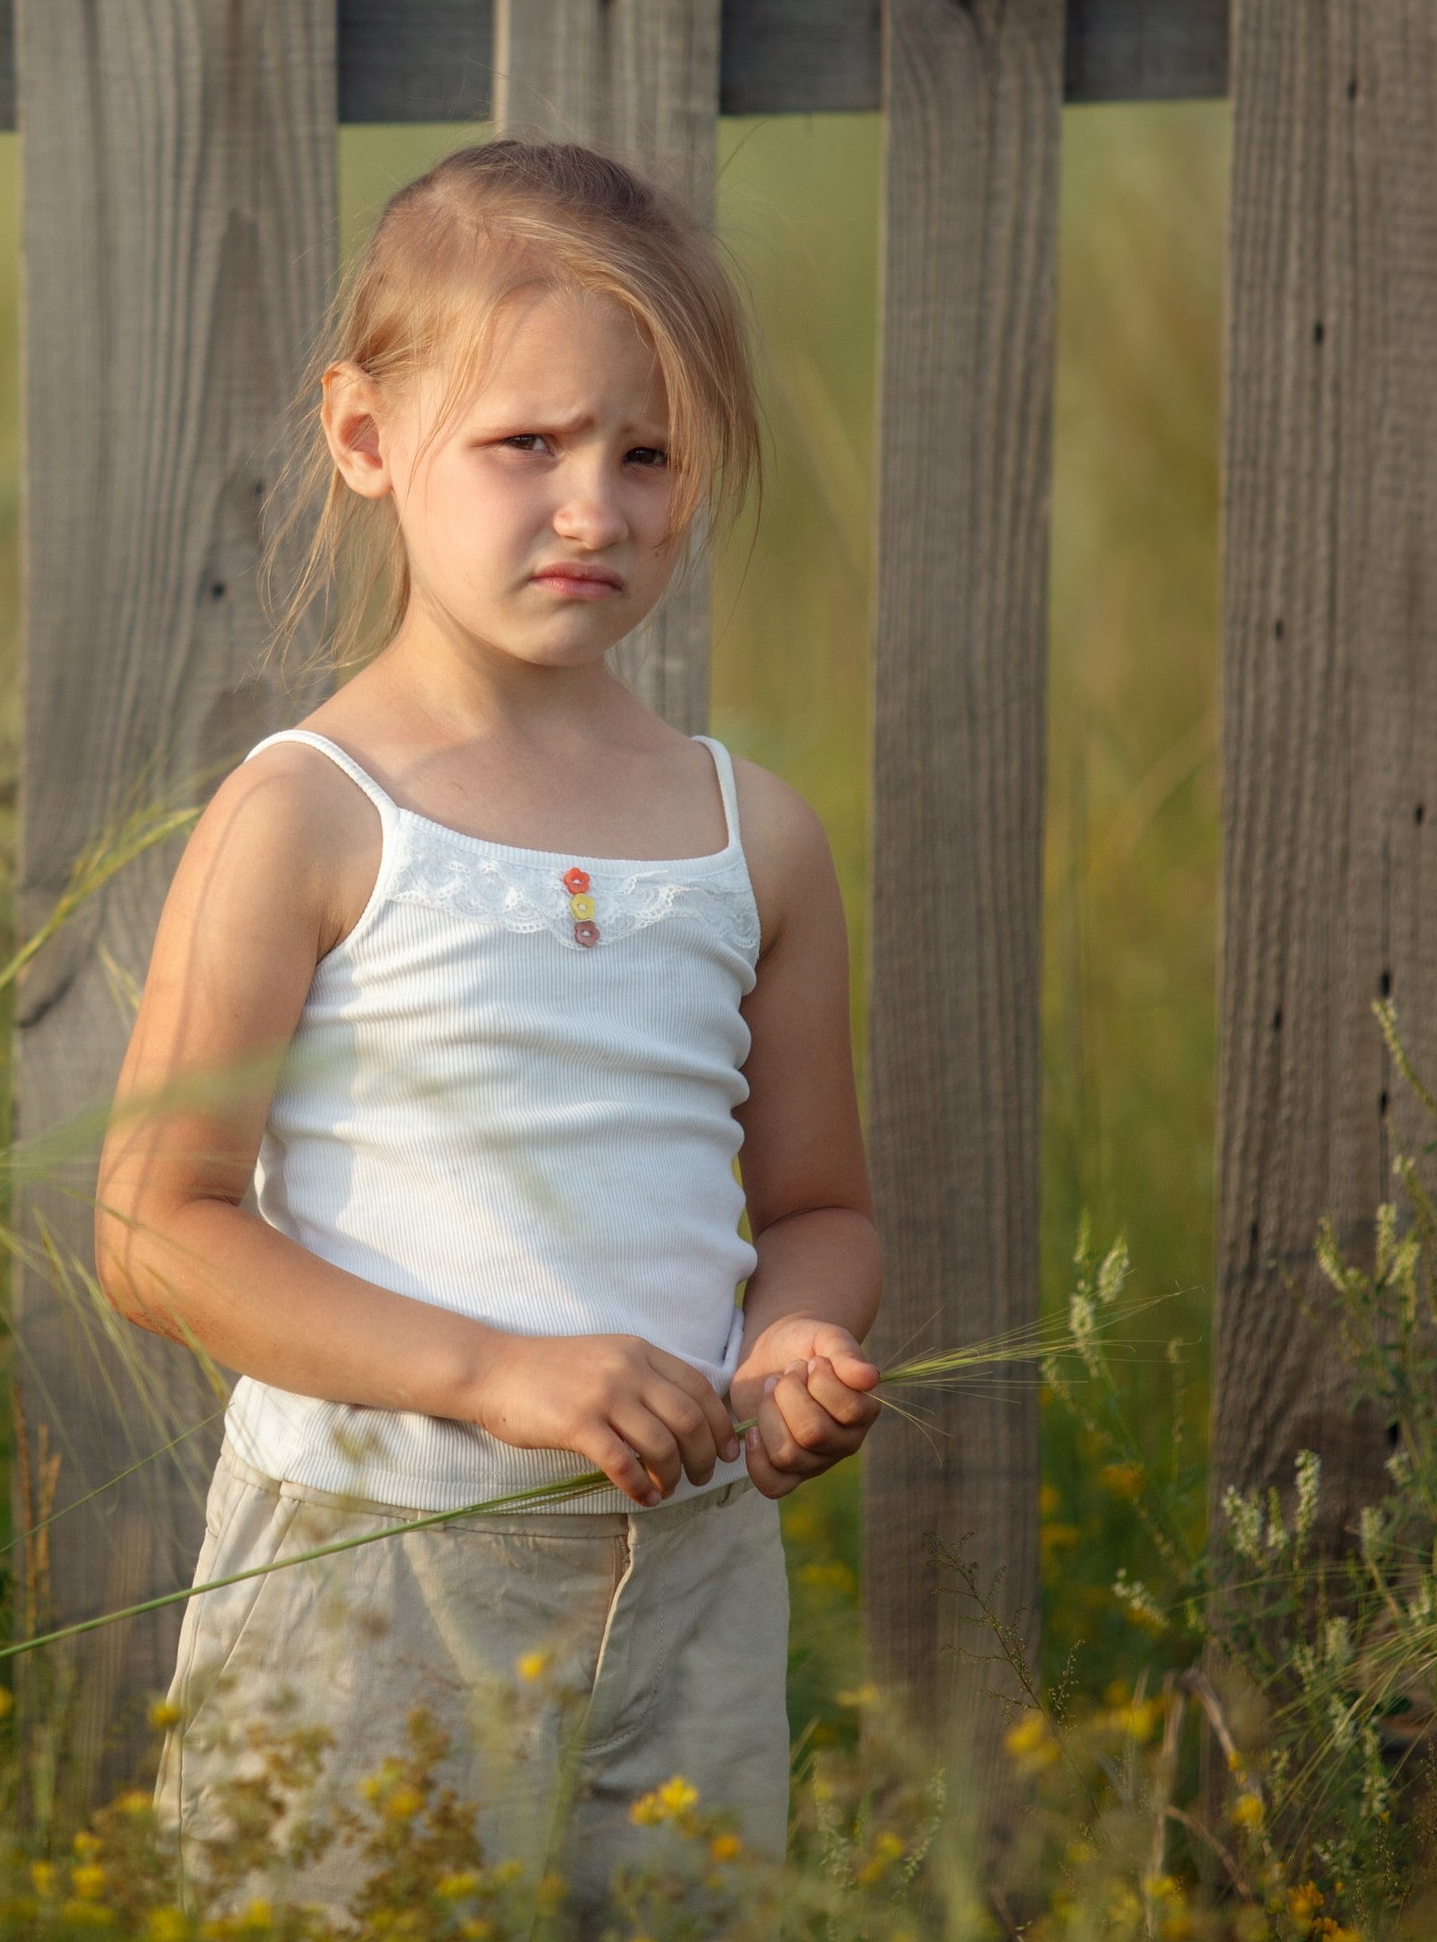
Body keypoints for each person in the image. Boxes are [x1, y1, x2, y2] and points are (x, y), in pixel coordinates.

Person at [94, 139, 882, 1905]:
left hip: (679, 1580)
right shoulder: (312, 814)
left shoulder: (750, 839)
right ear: (368, 438)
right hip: (373, 1568)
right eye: (526, 445)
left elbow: (819, 1207)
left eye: (648, 451)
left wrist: (789, 1352)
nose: (593, 506)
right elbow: (155, 1231)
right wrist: (501, 1376)